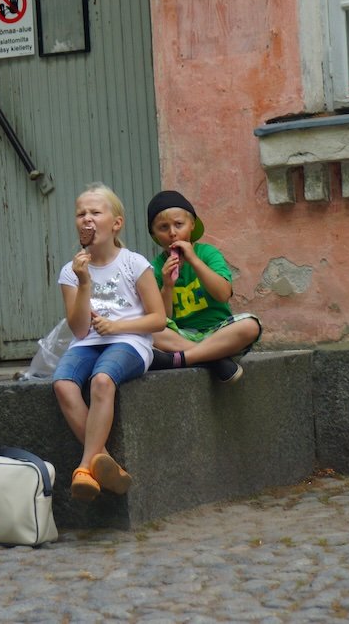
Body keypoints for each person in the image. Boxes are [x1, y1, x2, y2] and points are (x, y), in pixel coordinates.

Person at [52, 183, 166, 502]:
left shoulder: (133, 263)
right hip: (86, 343)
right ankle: (104, 461)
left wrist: (116, 325)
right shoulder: (71, 272)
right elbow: (77, 330)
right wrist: (84, 281)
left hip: (131, 341)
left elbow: (159, 319)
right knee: (63, 384)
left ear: (115, 224)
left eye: (95, 212)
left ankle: (85, 468)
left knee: (102, 380)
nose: (87, 219)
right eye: (81, 213)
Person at [145, 190, 262, 382]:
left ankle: (186, 358)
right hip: (182, 336)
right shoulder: (156, 268)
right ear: (155, 235)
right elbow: (164, 319)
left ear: (192, 225)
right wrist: (167, 286)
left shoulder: (207, 253)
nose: (172, 233)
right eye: (163, 228)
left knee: (250, 326)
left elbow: (223, 294)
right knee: (148, 331)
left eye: (178, 225)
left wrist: (194, 261)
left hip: (218, 331)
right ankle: (214, 360)